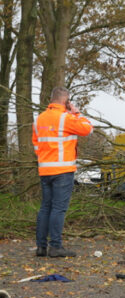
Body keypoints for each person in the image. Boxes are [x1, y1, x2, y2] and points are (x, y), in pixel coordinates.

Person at [32, 87, 93, 257]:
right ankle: (56, 247)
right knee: (59, 209)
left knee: (45, 207)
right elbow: (88, 129)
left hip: (45, 169)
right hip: (63, 170)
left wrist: (46, 159)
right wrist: (77, 112)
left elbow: (36, 145)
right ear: (66, 101)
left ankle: (41, 247)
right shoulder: (66, 118)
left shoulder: (39, 119)